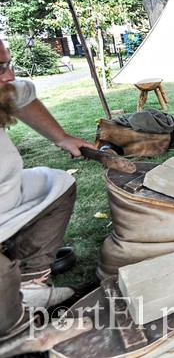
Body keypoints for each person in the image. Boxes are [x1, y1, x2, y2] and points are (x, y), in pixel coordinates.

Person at [0, 41, 94, 342]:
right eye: (1, 68)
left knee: (58, 183)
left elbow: (21, 94)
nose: (9, 75)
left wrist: (62, 137)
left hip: (6, 193)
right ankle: (16, 329)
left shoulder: (3, 86)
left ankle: (31, 285)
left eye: (7, 64)